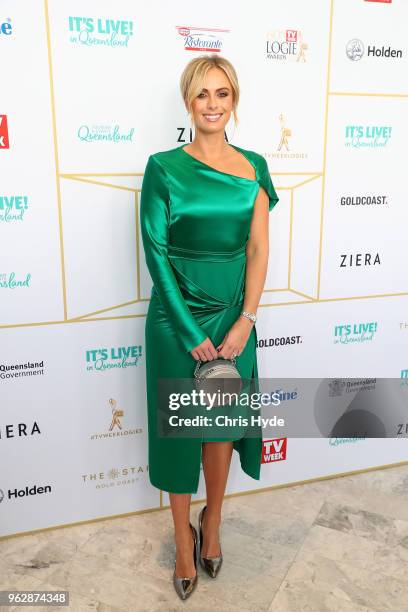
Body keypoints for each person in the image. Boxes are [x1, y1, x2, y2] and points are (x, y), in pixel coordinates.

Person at [140, 54, 279, 600]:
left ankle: (212, 525)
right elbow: (155, 253)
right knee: (180, 436)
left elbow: (259, 248)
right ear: (188, 103)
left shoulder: (254, 167)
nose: (212, 104)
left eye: (222, 94)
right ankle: (181, 538)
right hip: (176, 320)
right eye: (202, 95)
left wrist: (246, 319)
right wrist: (189, 331)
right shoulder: (162, 168)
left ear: (234, 101)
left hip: (232, 318)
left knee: (220, 430)